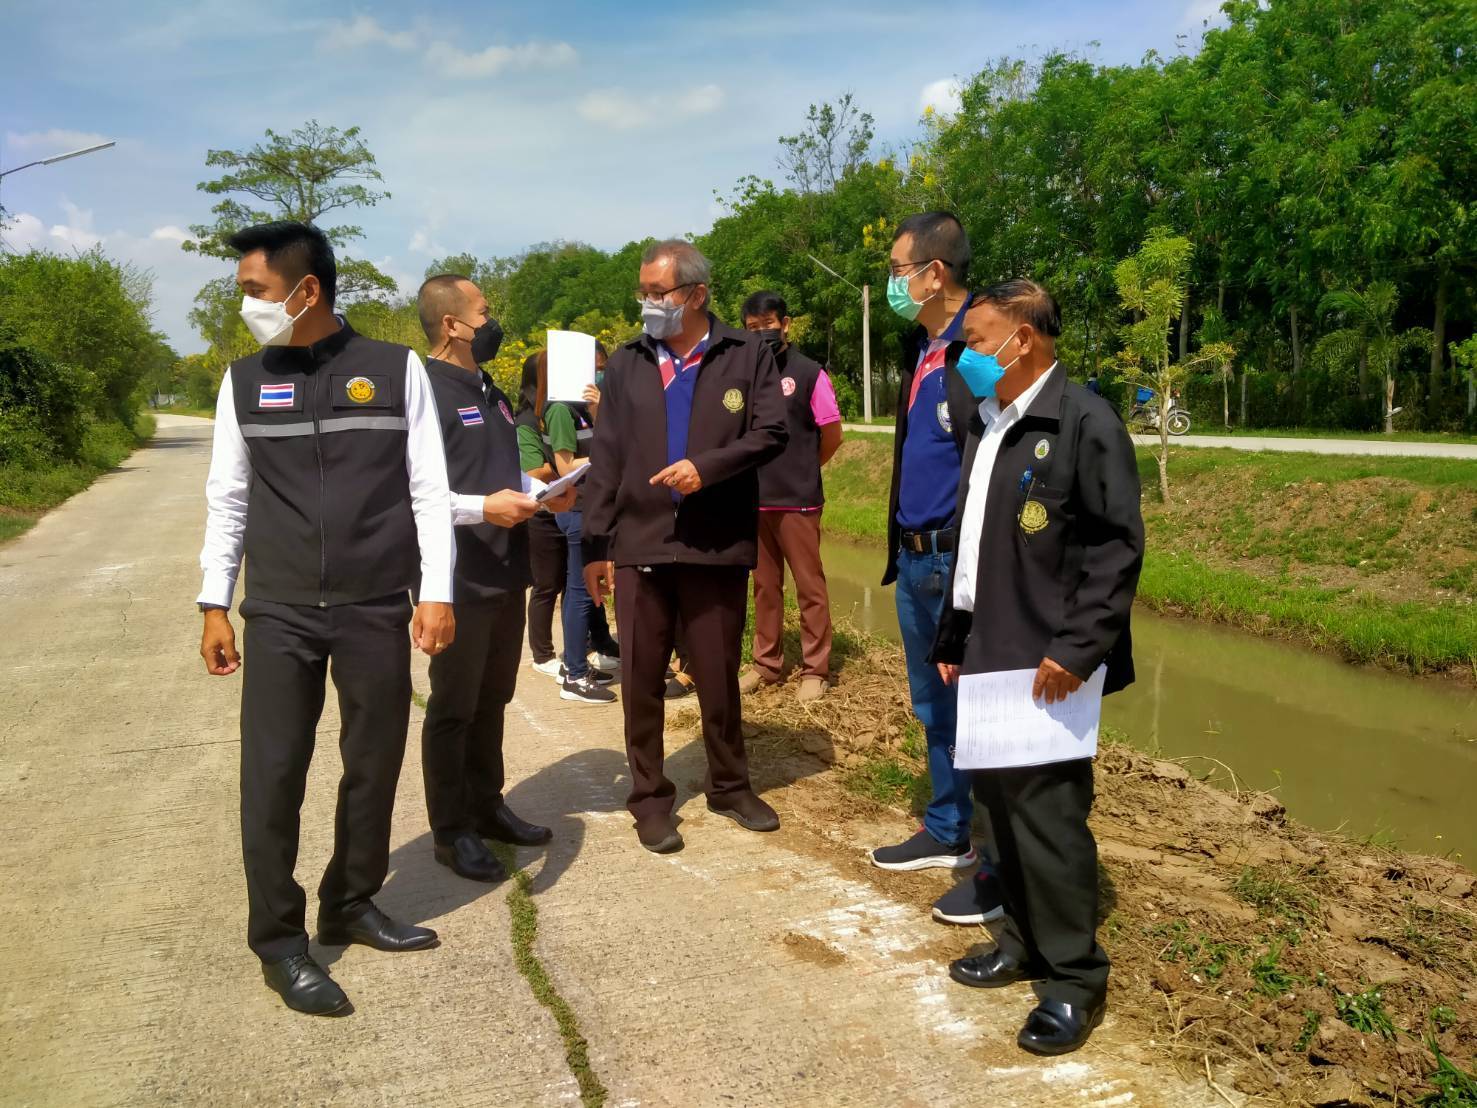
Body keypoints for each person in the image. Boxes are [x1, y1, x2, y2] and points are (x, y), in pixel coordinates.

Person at [197, 221, 455, 1016]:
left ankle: (350, 901)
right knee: (272, 776)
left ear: (305, 291)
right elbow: (228, 498)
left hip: (374, 604)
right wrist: (214, 602)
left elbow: (428, 489)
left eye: (255, 291)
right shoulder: (244, 382)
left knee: (373, 763)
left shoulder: (395, 370)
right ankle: (279, 942)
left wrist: (437, 589)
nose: (246, 305)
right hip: (279, 612)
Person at [930, 280, 1144, 1056]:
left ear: (1022, 339)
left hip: (1048, 661)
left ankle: (1073, 979)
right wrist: (953, 635)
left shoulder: (1083, 421)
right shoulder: (989, 421)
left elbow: (1116, 548)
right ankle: (1019, 942)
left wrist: (1077, 649)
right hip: (987, 651)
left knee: (1048, 821)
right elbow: (973, 544)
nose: (967, 356)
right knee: (996, 813)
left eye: (977, 340)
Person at [582, 240, 787, 853]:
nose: (647, 303)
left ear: (696, 294)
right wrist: (595, 545)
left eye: (658, 293)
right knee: (641, 678)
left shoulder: (745, 353)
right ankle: (649, 798)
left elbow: (771, 433)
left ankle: (729, 785)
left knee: (718, 675)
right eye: (643, 292)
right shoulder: (627, 363)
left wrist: (708, 468)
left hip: (715, 543)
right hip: (640, 542)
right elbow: (607, 456)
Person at [869, 212, 1002, 929]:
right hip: (916, 557)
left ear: (934, 272)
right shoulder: (921, 348)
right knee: (935, 708)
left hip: (961, 560)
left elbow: (1005, 450)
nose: (892, 283)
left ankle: (999, 864)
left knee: (984, 711)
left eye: (897, 270)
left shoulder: (979, 348)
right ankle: (948, 828)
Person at [415, 274, 571, 884]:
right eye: (483, 313)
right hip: (456, 575)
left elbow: (498, 469)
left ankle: (486, 804)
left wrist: (543, 491)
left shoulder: (491, 390)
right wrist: (484, 508)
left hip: (506, 566)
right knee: (454, 705)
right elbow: (415, 494)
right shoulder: (422, 391)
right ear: (452, 324)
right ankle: (450, 830)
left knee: (494, 697)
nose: (491, 323)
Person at [737, 291, 843, 703]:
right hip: (754, 499)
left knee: (809, 587)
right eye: (752, 328)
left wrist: (803, 468)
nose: (760, 333)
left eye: (767, 325)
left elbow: (832, 435)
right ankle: (766, 664)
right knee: (765, 587)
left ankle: (816, 669)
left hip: (797, 500)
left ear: (785, 324)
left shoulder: (809, 373)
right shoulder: (744, 375)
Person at [514, 351, 617, 704]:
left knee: (586, 589)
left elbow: (605, 438)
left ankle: (579, 666)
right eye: (591, 368)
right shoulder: (559, 410)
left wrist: (599, 411)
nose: (596, 374)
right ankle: (574, 673)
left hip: (592, 505)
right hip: (576, 508)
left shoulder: (580, 408)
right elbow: (564, 466)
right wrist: (612, 457)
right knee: (577, 591)